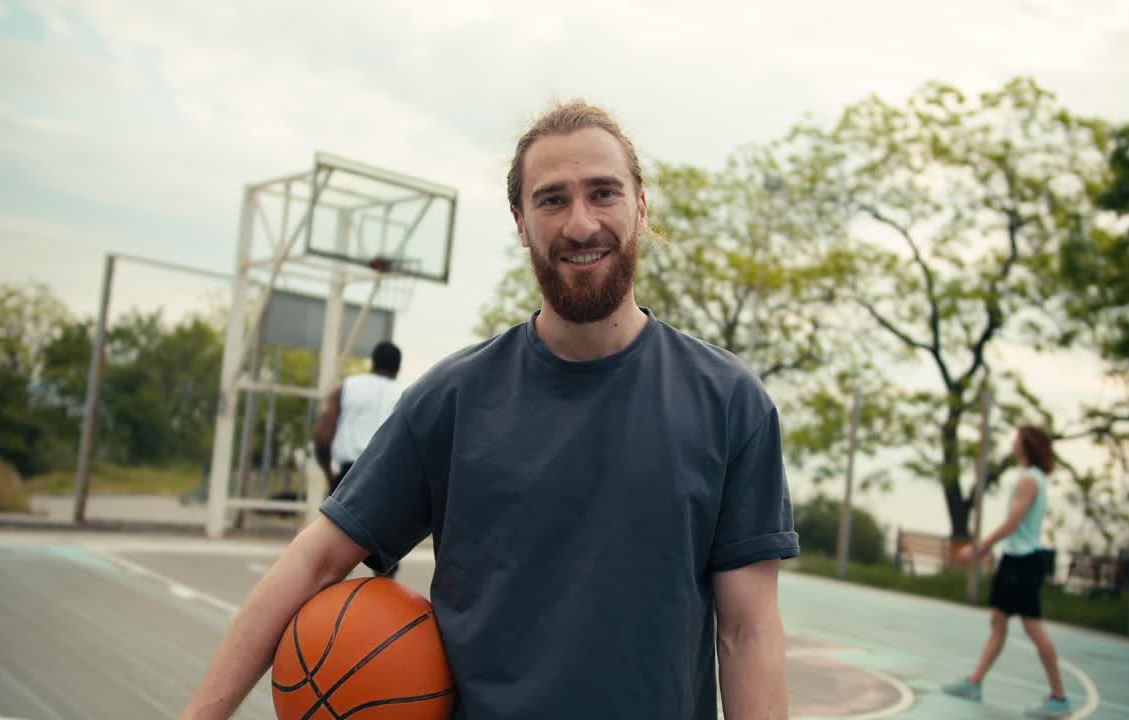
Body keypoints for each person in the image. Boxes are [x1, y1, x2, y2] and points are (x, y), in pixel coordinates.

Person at [181, 100, 799, 720]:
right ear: (520, 221)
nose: (581, 224)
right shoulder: (453, 398)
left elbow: (745, 633)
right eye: (552, 199)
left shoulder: (729, 404)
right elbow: (315, 562)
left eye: (603, 193)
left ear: (640, 206)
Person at [943, 425, 1072, 719]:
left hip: (1023, 562)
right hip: (1016, 559)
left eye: (1016, 439)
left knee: (1032, 626)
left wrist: (981, 547)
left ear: (1026, 445)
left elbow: (1013, 522)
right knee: (998, 619)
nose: (1012, 443)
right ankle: (974, 682)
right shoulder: (1032, 478)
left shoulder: (1029, 480)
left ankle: (1059, 697)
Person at [313, 340, 403, 578]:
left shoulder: (345, 388)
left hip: (349, 476)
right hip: (389, 479)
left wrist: (328, 473)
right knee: (385, 570)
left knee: (330, 565)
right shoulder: (406, 394)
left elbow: (322, 439)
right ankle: (381, 613)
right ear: (397, 368)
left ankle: (327, 615)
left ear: (372, 363)